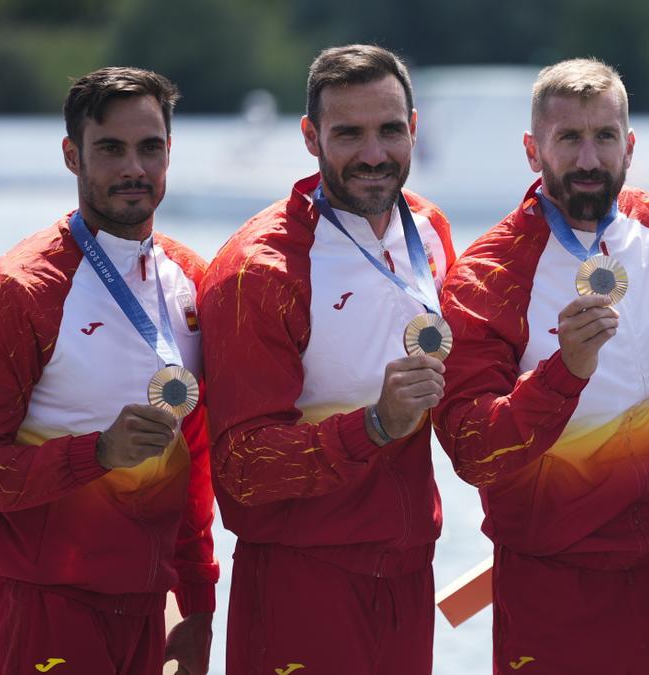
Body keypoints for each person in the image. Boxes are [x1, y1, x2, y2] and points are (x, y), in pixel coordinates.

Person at [0, 67, 218, 675]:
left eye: (150, 148)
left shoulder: (192, 281)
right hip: (42, 607)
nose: (133, 168)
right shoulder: (10, 296)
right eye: (110, 149)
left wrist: (195, 601)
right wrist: (97, 454)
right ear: (71, 155)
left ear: (170, 152)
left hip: (154, 611)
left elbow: (193, 462)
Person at [434, 58, 649, 674]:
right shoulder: (488, 277)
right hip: (552, 577)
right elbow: (471, 449)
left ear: (630, 146)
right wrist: (565, 372)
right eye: (569, 139)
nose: (589, 159)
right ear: (534, 151)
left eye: (605, 137)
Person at [200, 45, 453, 675]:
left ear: (414, 128)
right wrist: (373, 425)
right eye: (349, 134)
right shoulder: (258, 272)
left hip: (409, 569)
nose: (374, 154)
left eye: (390, 130)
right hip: (300, 577)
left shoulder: (428, 228)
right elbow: (240, 467)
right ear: (311, 137)